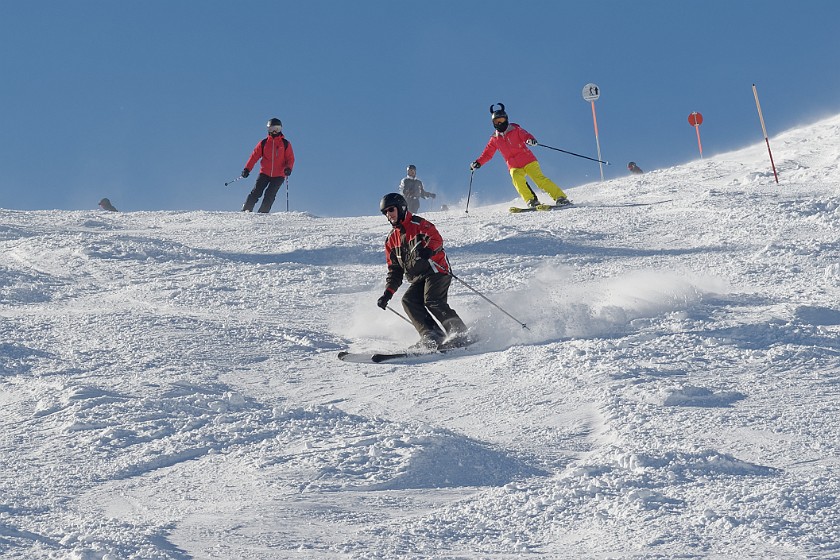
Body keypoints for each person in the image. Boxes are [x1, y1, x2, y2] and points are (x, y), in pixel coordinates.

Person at [376, 192, 470, 351]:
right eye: (385, 212)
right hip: (418, 277)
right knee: (408, 300)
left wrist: (429, 250)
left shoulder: (418, 224)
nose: (388, 214)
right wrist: (388, 293)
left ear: (401, 207)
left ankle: (459, 333)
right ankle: (432, 335)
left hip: (436, 269)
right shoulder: (391, 240)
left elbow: (436, 238)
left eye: (391, 209)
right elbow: (395, 270)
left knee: (432, 300)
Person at [470, 103, 570, 208]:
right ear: (493, 123)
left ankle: (560, 197)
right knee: (516, 179)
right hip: (513, 166)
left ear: (506, 119)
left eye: (502, 120)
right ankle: (531, 200)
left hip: (528, 161)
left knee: (539, 180)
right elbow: (487, 154)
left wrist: (530, 140)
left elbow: (525, 135)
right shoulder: (494, 139)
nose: (500, 123)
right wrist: (478, 162)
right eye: (497, 121)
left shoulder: (515, 130)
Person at [240, 118, 295, 213]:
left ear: (280, 129)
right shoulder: (264, 143)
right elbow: (254, 156)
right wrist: (247, 169)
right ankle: (246, 210)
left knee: (270, 195)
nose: (274, 131)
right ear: (268, 129)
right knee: (256, 192)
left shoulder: (285, 144)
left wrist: (288, 168)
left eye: (277, 129)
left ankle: (263, 212)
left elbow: (290, 158)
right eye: (272, 129)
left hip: (279, 175)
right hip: (265, 173)